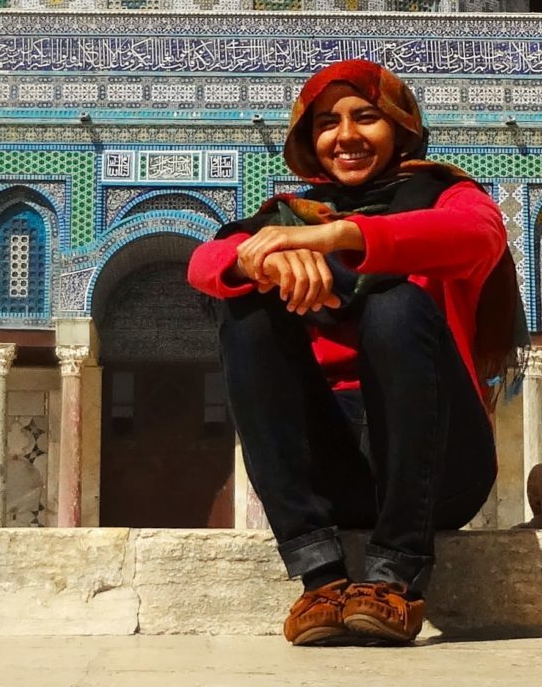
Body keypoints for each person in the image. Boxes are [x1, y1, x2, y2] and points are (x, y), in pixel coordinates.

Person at [188, 59, 524, 646]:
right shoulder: (285, 219)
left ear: (400, 126)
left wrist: (344, 236)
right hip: (338, 471)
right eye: (326, 123)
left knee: (395, 303)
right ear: (306, 139)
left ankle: (396, 576)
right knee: (247, 311)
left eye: (365, 117)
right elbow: (204, 264)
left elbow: (479, 239)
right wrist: (254, 260)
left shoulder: (447, 195)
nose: (345, 137)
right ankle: (318, 578)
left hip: (440, 467)